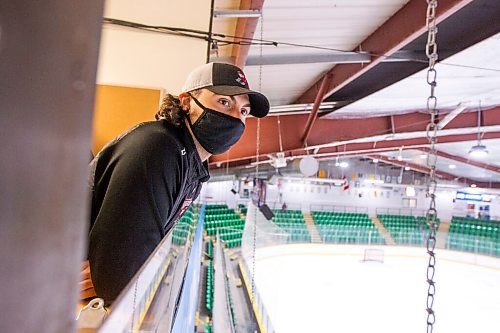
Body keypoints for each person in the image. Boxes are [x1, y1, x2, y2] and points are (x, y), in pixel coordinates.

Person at [81, 62, 270, 303]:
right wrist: (122, 275)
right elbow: (120, 276)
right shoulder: (159, 148)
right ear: (186, 102)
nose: (236, 118)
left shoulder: (191, 164)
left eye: (244, 111)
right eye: (224, 102)